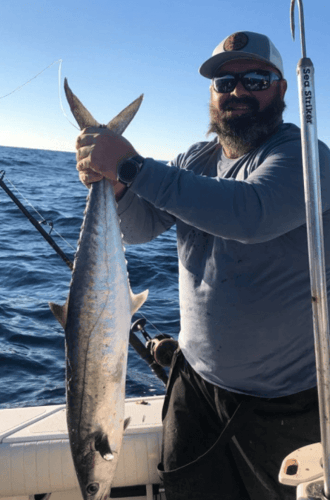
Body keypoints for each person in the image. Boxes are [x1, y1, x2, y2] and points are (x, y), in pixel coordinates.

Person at [74, 31, 330, 500]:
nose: (237, 91)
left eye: (254, 78)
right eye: (223, 82)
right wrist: (114, 192)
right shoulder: (196, 159)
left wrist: (131, 168)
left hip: (285, 402)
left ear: (281, 89)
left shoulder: (306, 158)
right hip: (193, 387)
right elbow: (139, 227)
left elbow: (252, 213)